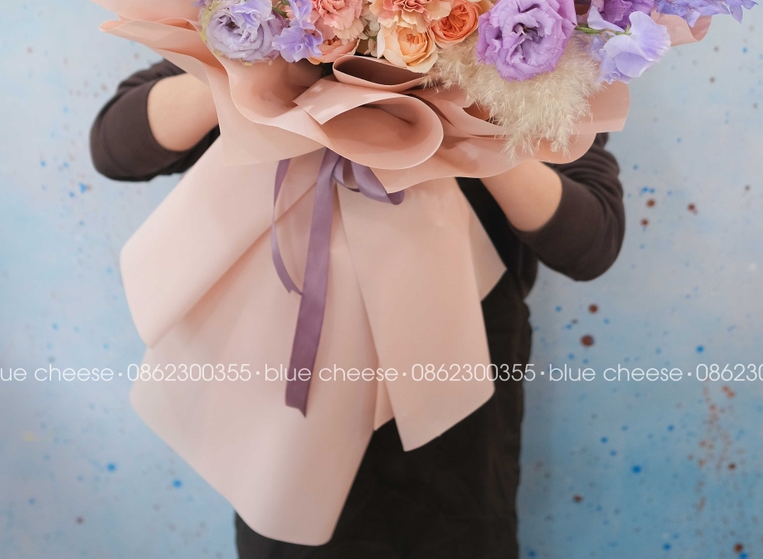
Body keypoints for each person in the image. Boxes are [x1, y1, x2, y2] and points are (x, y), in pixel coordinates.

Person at [90, 60, 626, 559]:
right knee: (288, 530)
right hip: (294, 375)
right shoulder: (274, 12)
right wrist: (255, 60)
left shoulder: (533, 42)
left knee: (460, 535)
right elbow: (115, 145)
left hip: (458, 370)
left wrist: (470, 126)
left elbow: (592, 240)